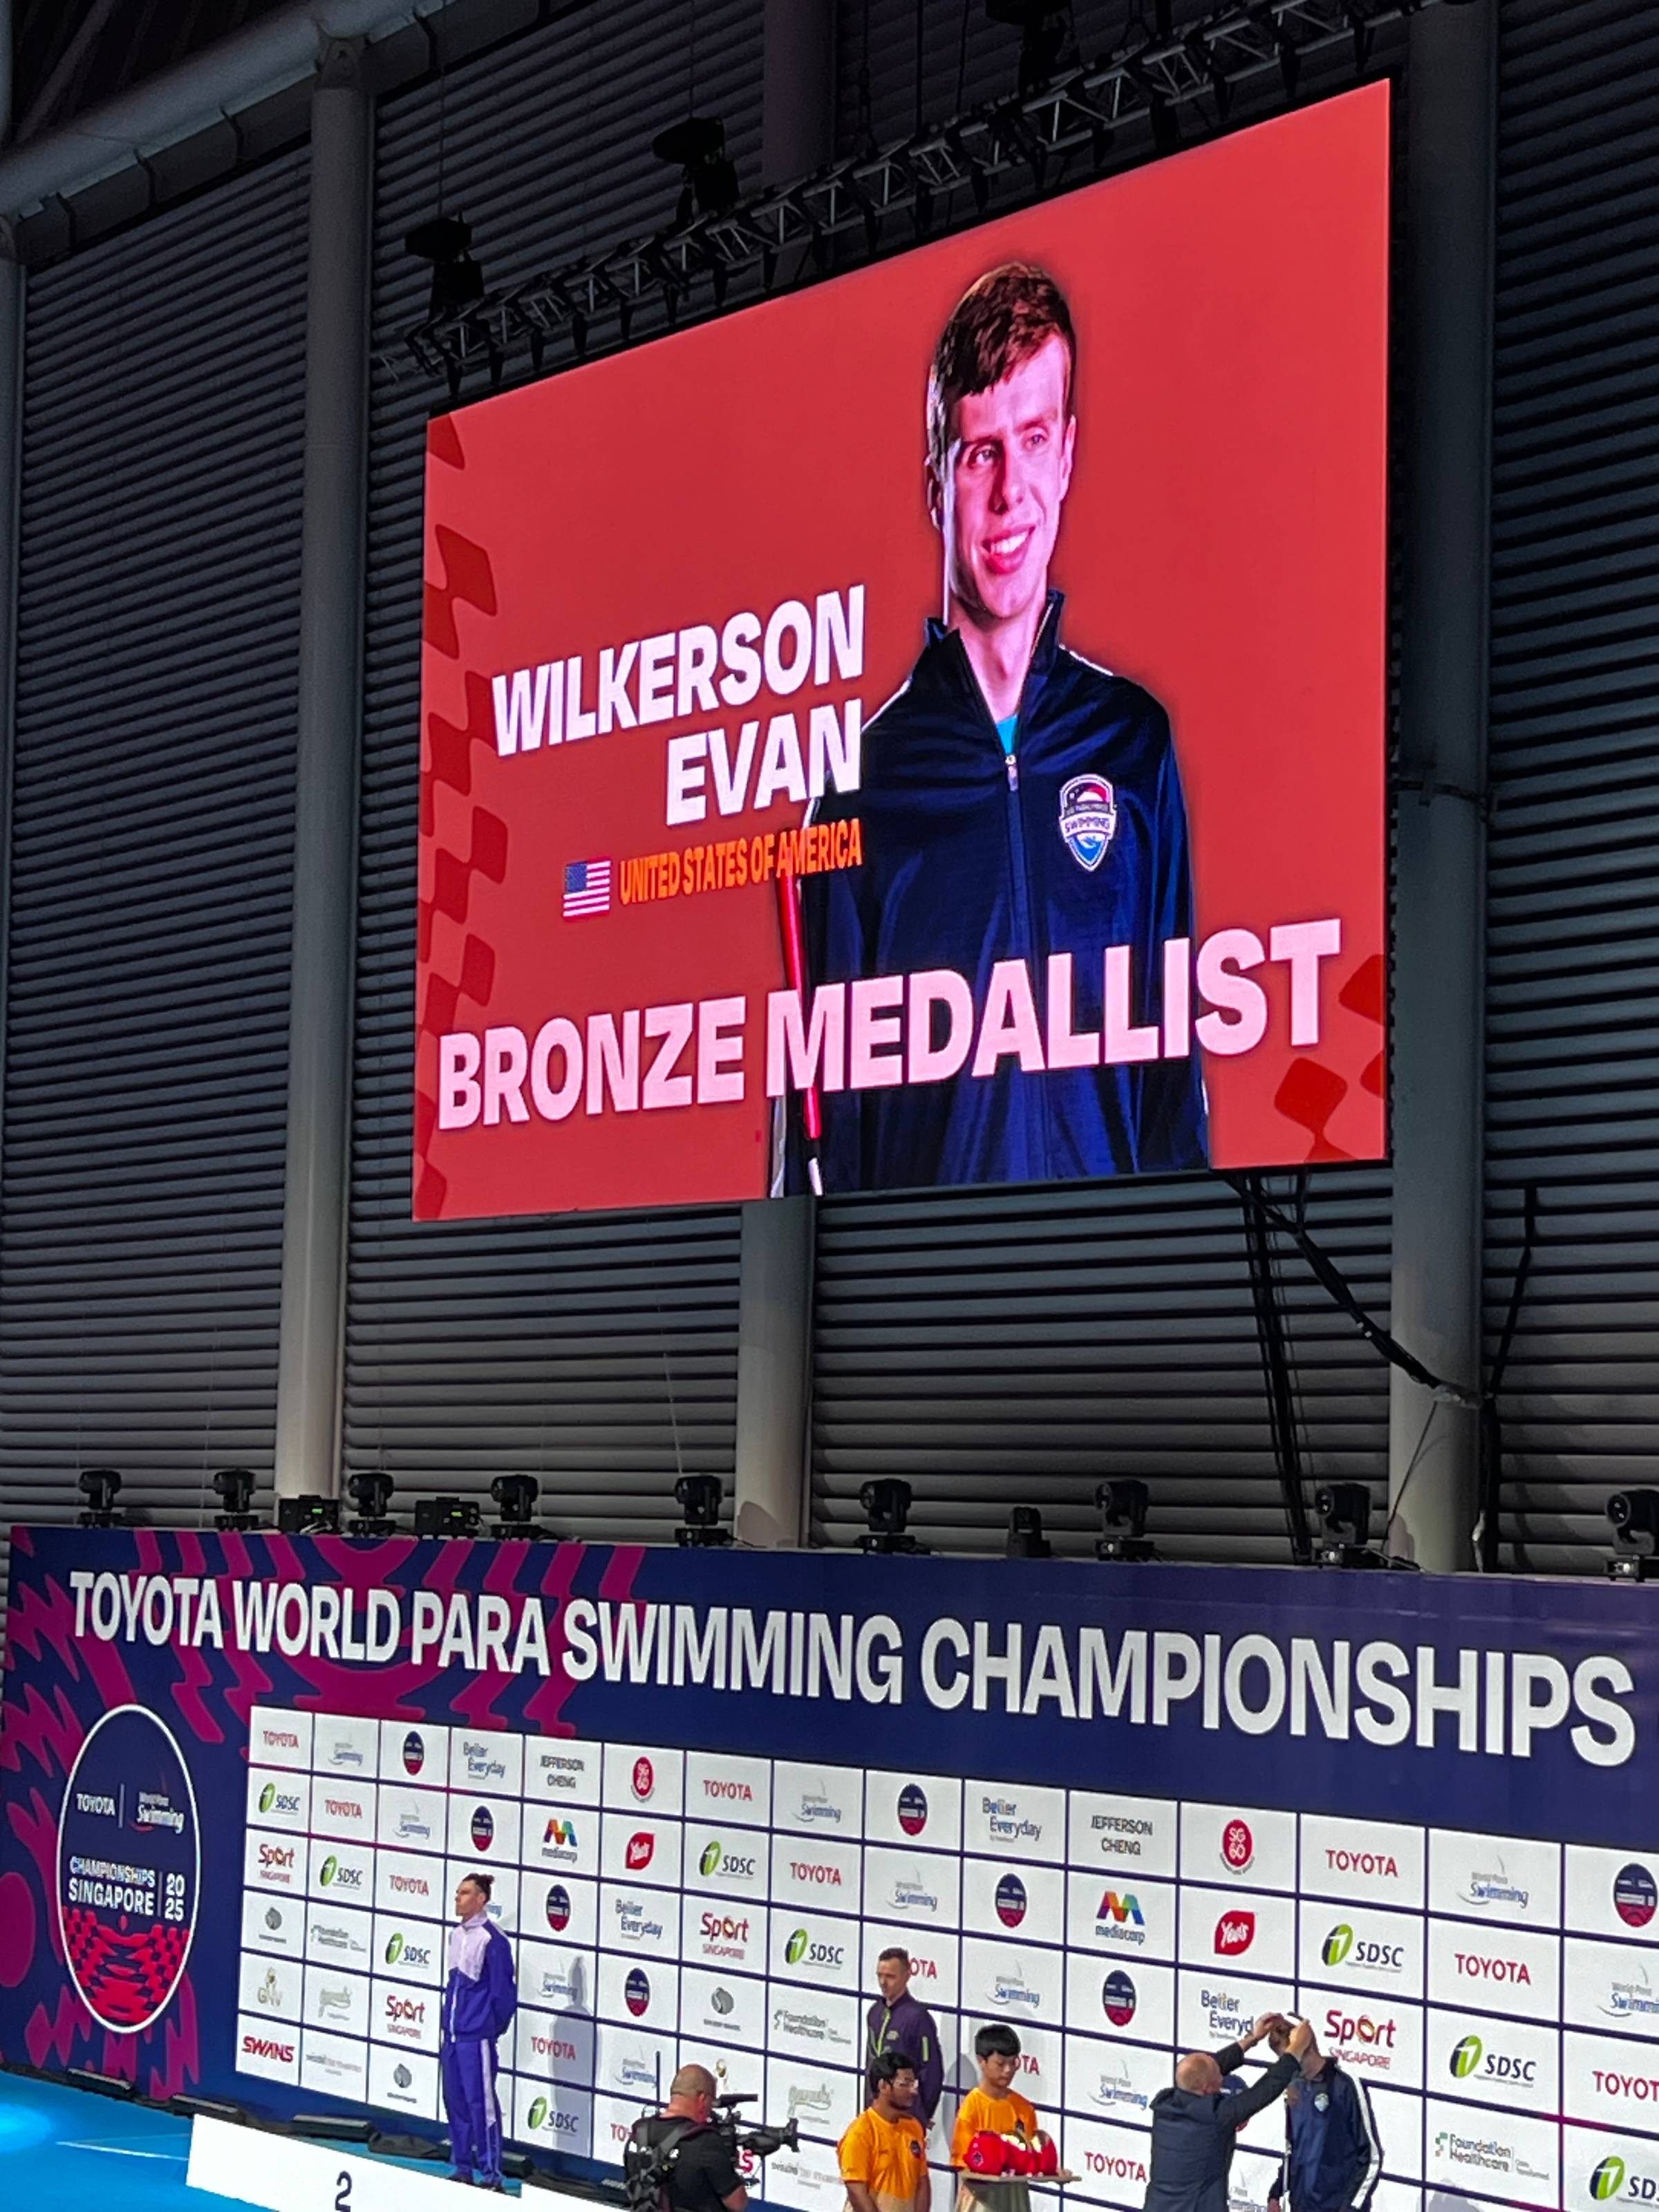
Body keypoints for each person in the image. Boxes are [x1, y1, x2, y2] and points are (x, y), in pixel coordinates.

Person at [794, 260, 1207, 1194]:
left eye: (1031, 441)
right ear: (936, 479)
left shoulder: (1133, 746)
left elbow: (1174, 1089)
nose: (1010, 491)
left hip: (1125, 1297)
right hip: (926, 1310)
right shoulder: (858, 787)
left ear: (1067, 452)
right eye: (981, 451)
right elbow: (819, 1150)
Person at [1142, 2014, 1309, 2212]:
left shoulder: (1165, 2102)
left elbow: (1201, 2072)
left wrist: (1251, 2039)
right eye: (1219, 2079)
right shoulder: (1215, 2117)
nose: (1223, 2080)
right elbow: (1264, 2091)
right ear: (1206, 2089)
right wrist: (1295, 2050)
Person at [441, 1871, 517, 2191]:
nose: (458, 1898)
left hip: (477, 2039)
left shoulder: (494, 1940)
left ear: (481, 1899)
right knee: (455, 2102)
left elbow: (503, 1994)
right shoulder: (456, 1935)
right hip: (454, 2038)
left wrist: (488, 2028)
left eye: (465, 1893)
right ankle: (462, 2167)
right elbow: (454, 1987)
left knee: (482, 2106)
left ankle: (491, 2174)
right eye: (458, 1893)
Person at [1264, 2021, 1382, 2212]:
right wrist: (1276, 2193)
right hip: (1301, 2206)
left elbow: (1370, 2156)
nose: (1291, 2068)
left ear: (1309, 2046)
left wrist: (1351, 2208)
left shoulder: (1345, 2085)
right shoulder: (1294, 2089)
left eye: (1295, 2060)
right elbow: (1293, 2150)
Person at [626, 2065, 749, 2212]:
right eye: (712, 2102)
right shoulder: (705, 2141)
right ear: (702, 2099)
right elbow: (737, 2202)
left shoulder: (640, 2132)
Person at [951, 2022, 1045, 2212]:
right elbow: (962, 2163)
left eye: (1013, 2062)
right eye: (1001, 2063)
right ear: (981, 2061)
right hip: (981, 2200)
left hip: (1015, 2198)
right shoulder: (972, 2108)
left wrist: (1051, 2169)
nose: (1008, 2070)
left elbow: (1034, 2158)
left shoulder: (1023, 2108)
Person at [841, 2051, 930, 2212]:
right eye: (905, 2084)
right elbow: (857, 2192)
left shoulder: (914, 2127)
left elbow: (922, 2182)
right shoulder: (860, 2134)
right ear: (883, 2086)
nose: (914, 2091)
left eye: (914, 2084)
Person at [867, 1947, 945, 2128]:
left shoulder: (918, 2018)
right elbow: (870, 2064)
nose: (883, 1983)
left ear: (907, 1976)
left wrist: (921, 2113)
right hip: (876, 2112)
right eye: (880, 1975)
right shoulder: (874, 2013)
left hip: (906, 2117)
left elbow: (931, 2070)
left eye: (890, 1977)